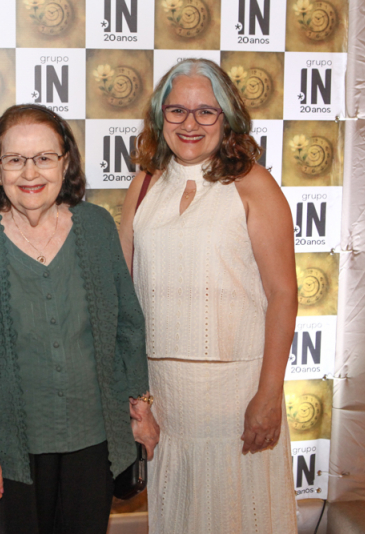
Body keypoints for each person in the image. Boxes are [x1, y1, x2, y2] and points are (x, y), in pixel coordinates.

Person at [0, 104, 160, 534]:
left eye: (44, 158)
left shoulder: (96, 226)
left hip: (95, 437)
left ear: (65, 162)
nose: (30, 173)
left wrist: (141, 409)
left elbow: (127, 324)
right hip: (14, 443)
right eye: (15, 160)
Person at [119, 59, 299, 533]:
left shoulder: (254, 185)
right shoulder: (142, 188)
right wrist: (136, 398)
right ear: (159, 117)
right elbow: (124, 301)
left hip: (237, 400)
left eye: (206, 112)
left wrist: (269, 394)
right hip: (166, 399)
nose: (190, 124)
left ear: (228, 118)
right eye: (177, 110)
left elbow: (283, 295)